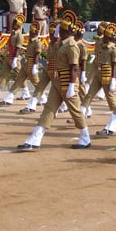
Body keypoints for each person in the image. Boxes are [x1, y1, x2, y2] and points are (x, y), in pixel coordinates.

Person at [18, 10, 90, 151]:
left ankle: (85, 137)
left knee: (76, 112)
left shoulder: (71, 46)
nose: (58, 32)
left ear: (64, 31)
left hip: (67, 82)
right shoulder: (60, 44)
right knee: (49, 109)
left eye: (60, 29)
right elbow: (54, 44)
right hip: (57, 83)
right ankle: (35, 138)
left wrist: (71, 86)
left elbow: (74, 67)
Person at [0, 20, 42, 106]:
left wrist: (35, 66)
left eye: (31, 32)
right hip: (26, 64)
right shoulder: (31, 41)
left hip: (31, 65)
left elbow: (37, 55)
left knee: (36, 83)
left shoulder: (37, 42)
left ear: (35, 33)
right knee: (18, 80)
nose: (30, 33)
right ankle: (9, 99)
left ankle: (42, 98)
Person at [21, 20, 60, 114]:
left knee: (59, 91)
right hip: (48, 68)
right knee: (39, 87)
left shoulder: (59, 45)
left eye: (52, 34)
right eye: (50, 34)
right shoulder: (51, 44)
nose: (50, 36)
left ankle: (62, 107)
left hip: (56, 70)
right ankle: (31, 106)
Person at [80, 22, 116, 114]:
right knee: (89, 95)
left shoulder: (113, 50)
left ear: (109, 38)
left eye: (105, 37)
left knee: (110, 98)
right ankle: (81, 113)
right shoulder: (101, 45)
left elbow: (114, 65)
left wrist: (113, 80)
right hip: (98, 75)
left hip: (107, 76)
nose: (103, 38)